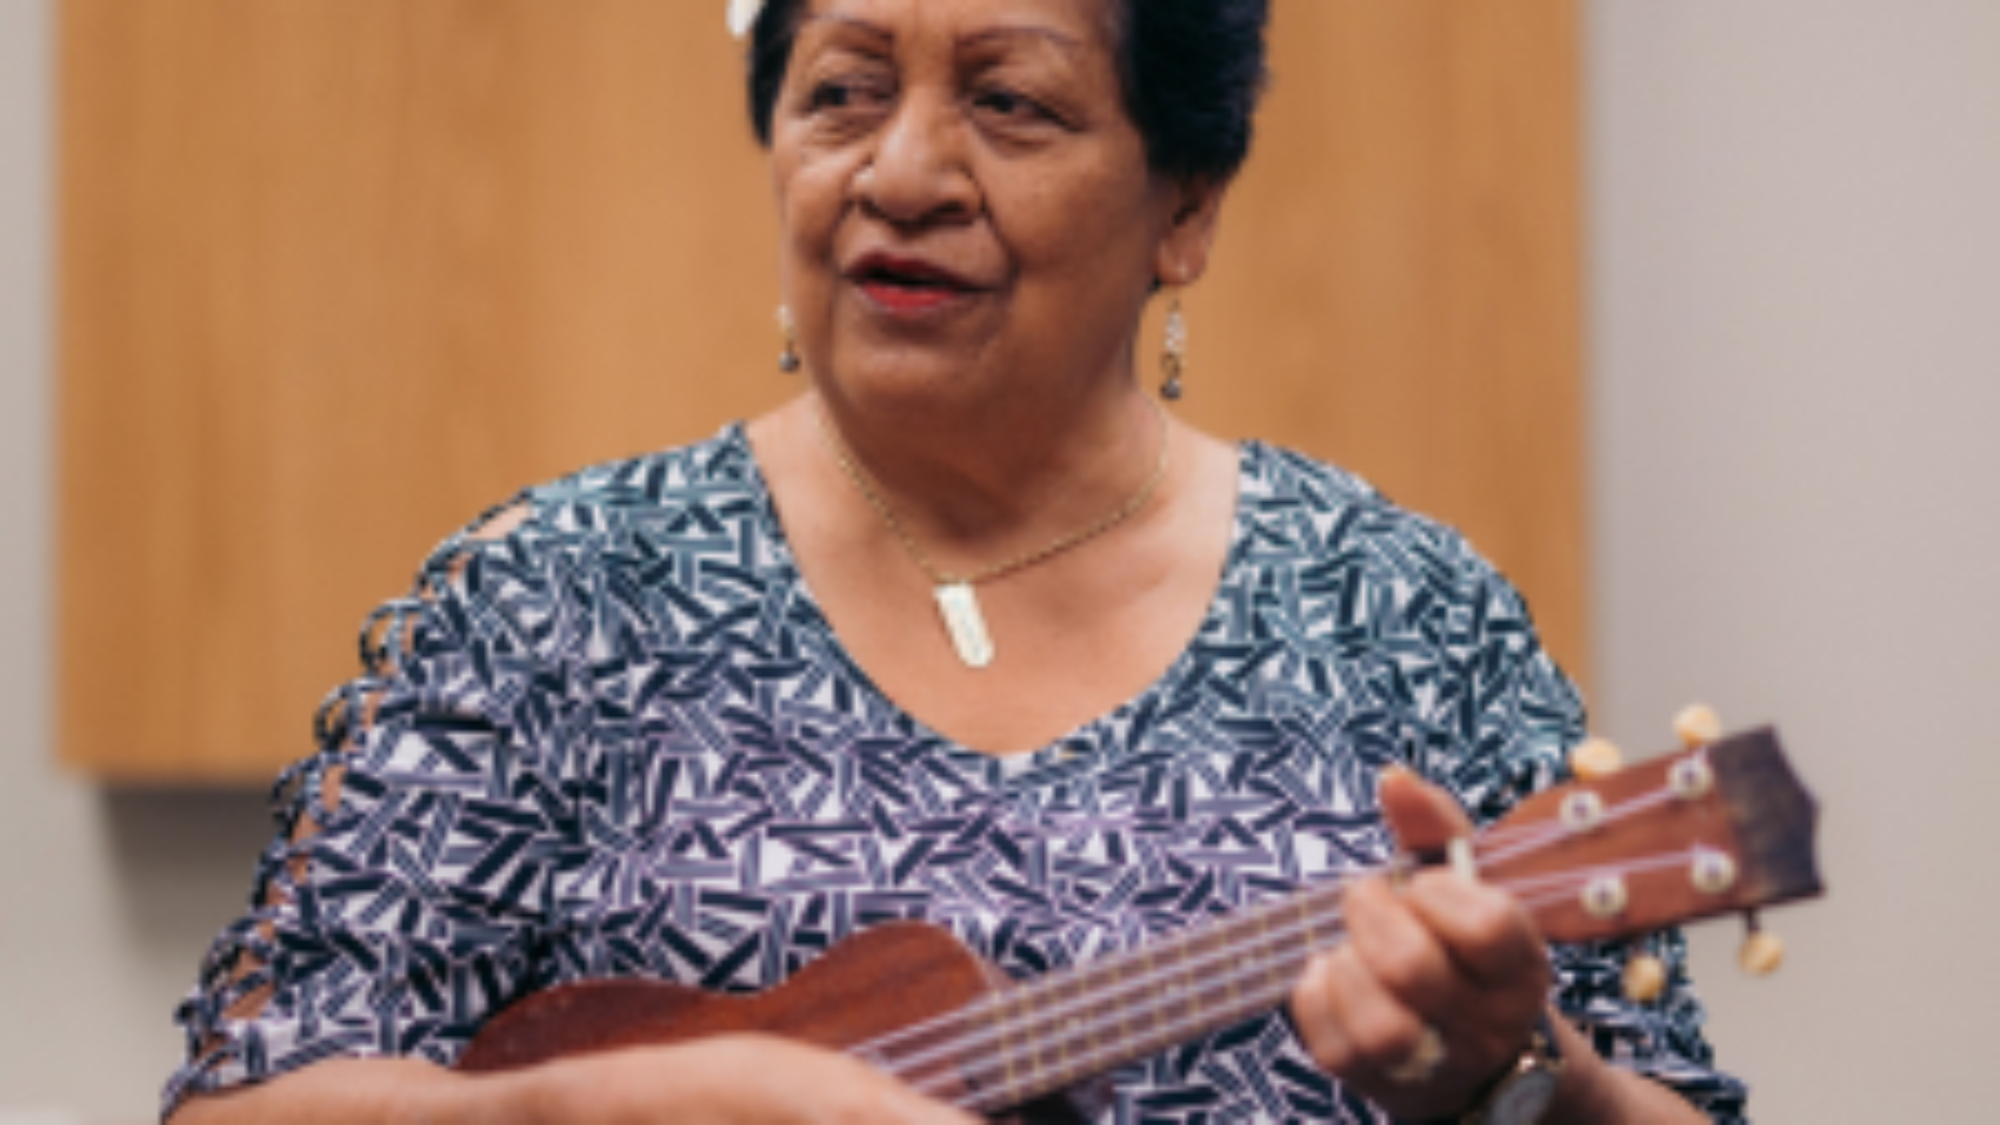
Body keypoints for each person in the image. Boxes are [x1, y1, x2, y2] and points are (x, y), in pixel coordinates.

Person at [164, 1, 1746, 1121]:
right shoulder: (544, 597)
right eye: (842, 90)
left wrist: (1516, 1091)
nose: (901, 173)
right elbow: (243, 1097)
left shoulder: (1409, 617)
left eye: (1014, 101)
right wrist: (598, 1112)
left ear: (1184, 206)